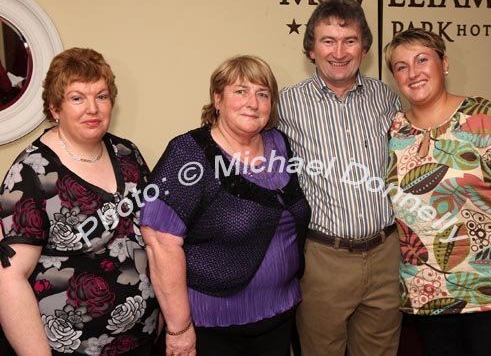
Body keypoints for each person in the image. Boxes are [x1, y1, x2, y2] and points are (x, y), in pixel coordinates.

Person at [383, 28, 491, 356]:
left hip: (490, 288)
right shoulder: (394, 129)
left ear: (445, 63)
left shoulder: (485, 119)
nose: (413, 73)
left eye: (422, 60)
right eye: (401, 66)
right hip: (426, 292)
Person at [141, 55, 311, 356]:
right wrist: (178, 330)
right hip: (215, 328)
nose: (253, 102)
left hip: (280, 315)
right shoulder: (189, 153)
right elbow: (160, 243)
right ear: (217, 99)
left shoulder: (280, 144)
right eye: (241, 91)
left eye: (263, 94)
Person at [0, 48, 160, 355]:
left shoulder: (128, 154)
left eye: (101, 96)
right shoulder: (30, 174)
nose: (93, 108)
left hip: (141, 338)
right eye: (77, 98)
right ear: (55, 107)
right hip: (71, 348)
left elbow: (152, 235)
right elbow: (10, 278)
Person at [278, 0, 402, 356]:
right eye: (327, 41)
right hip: (323, 259)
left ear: (364, 47)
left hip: (386, 255)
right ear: (311, 49)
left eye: (349, 40)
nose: (339, 51)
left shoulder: (386, 97)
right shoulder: (286, 103)